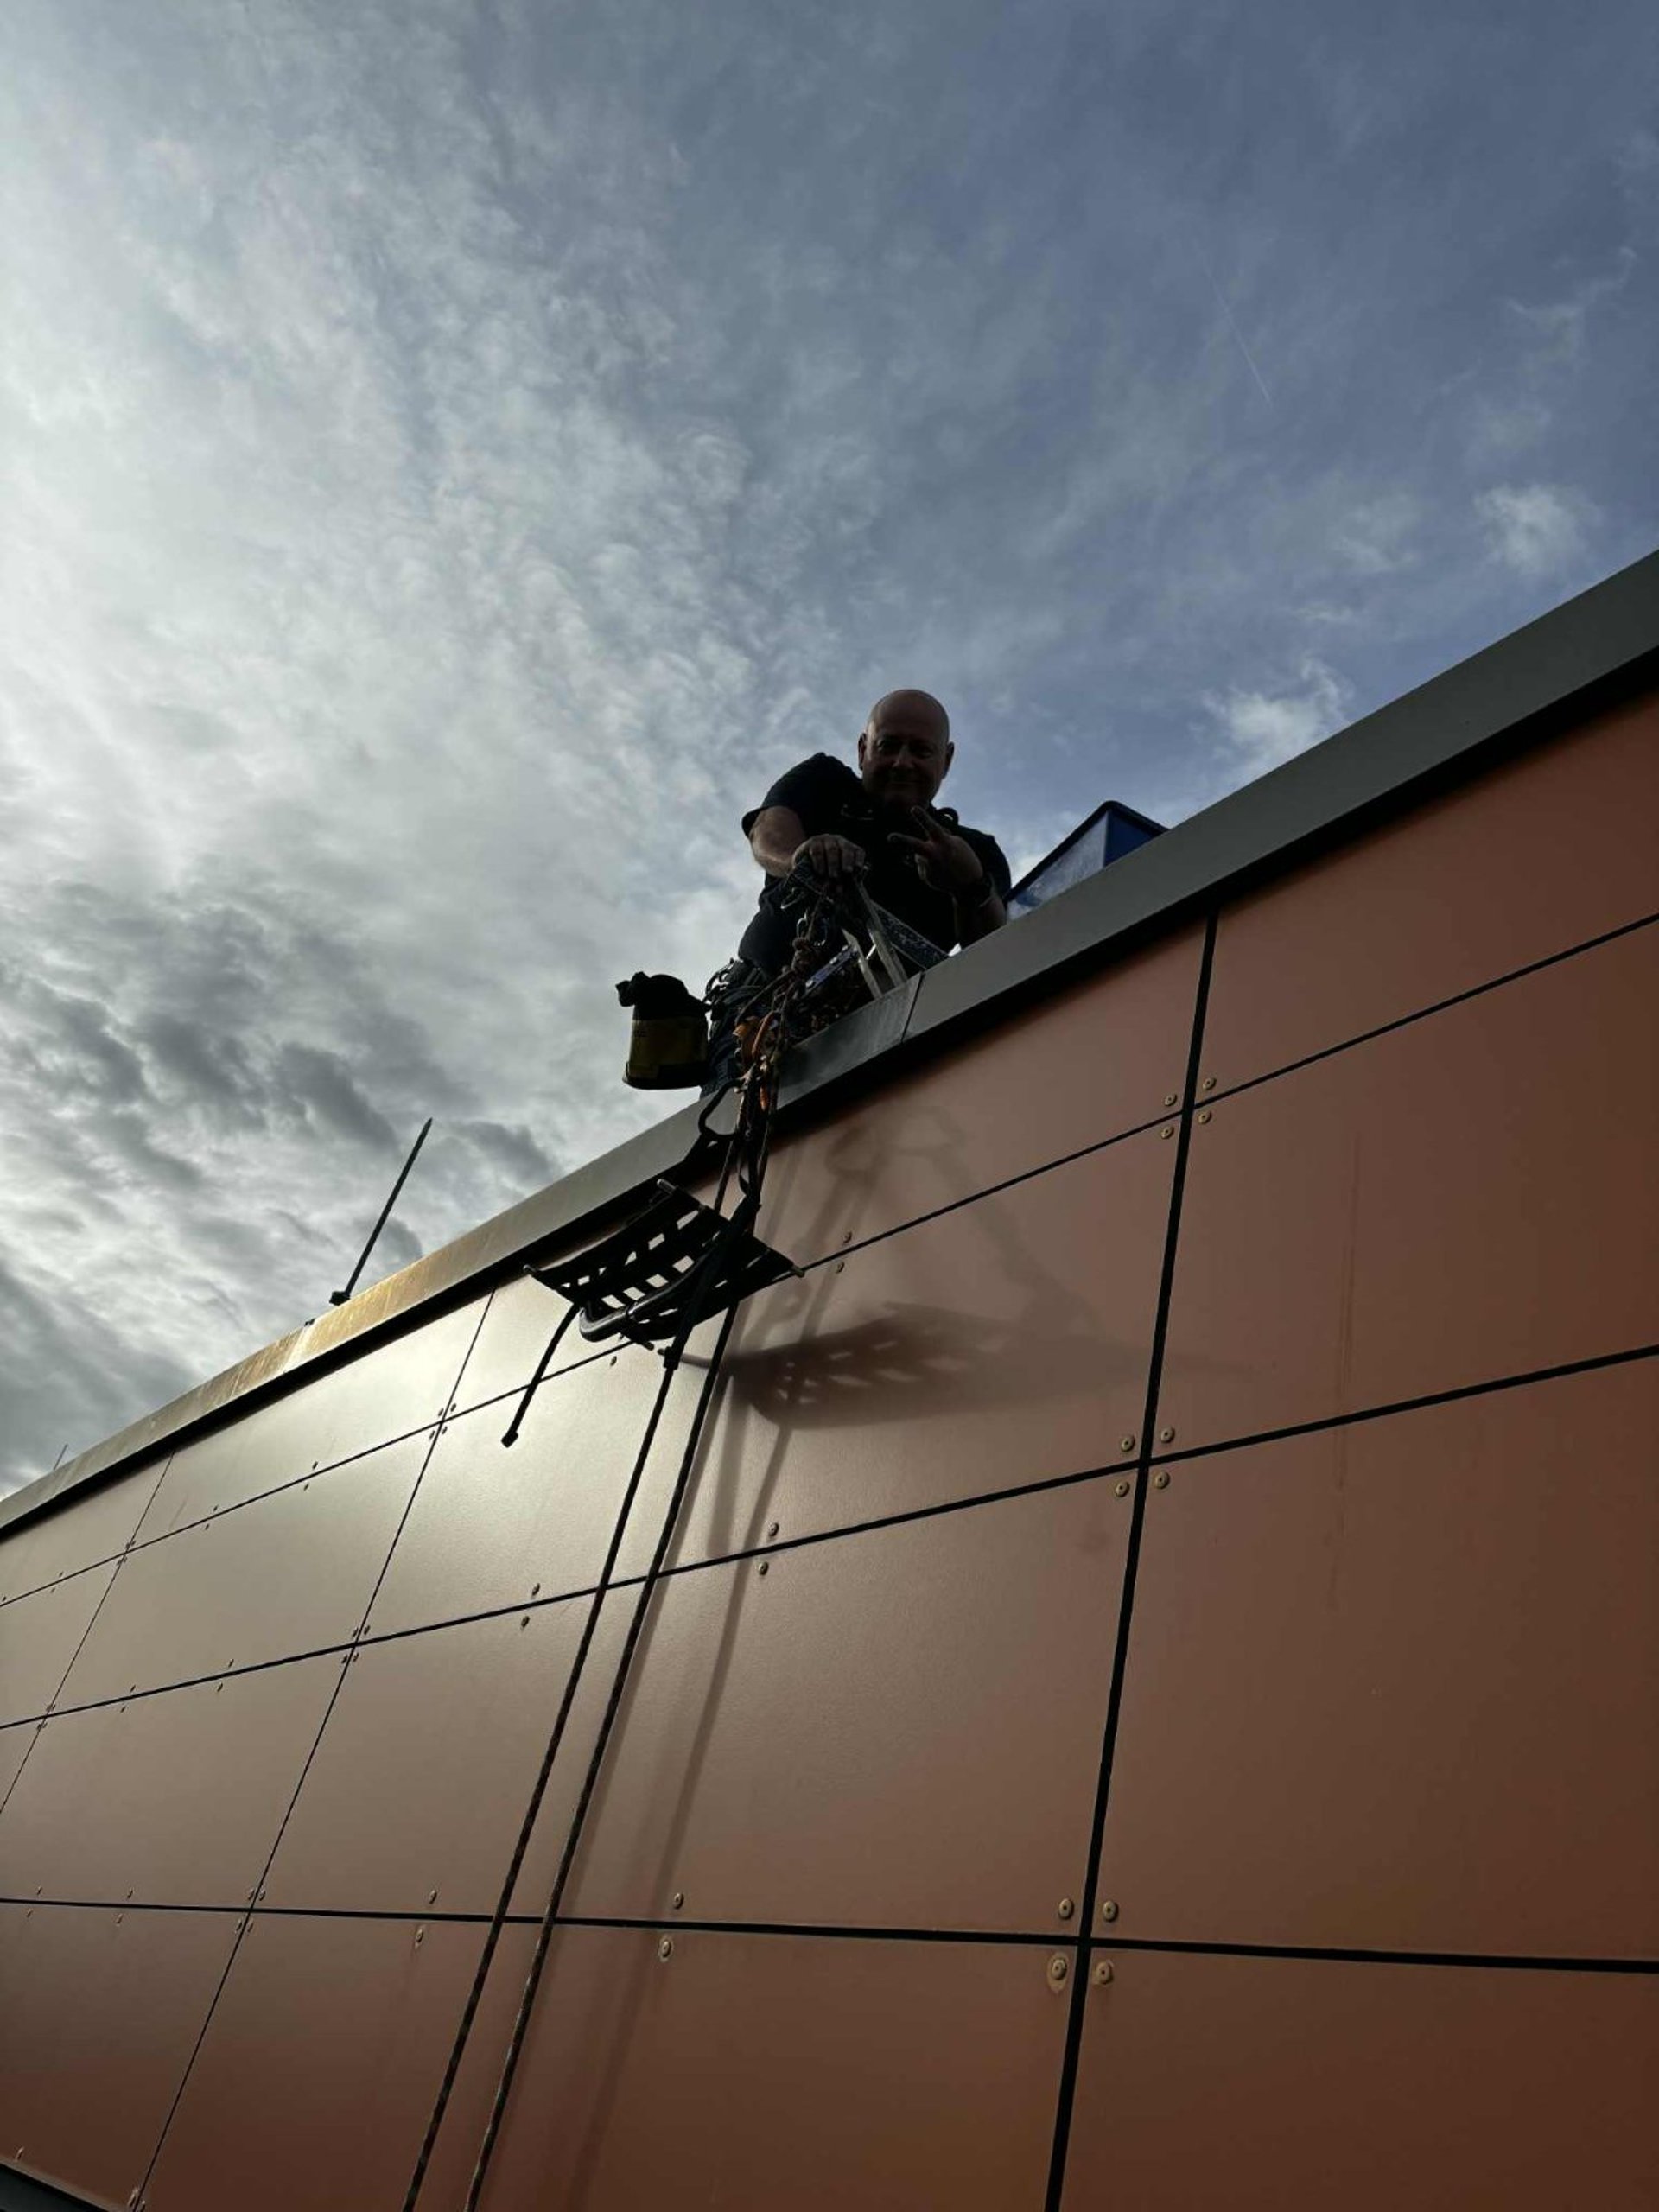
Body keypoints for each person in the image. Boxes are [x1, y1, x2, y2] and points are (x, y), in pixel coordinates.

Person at [705, 689, 1011, 1088]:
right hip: (760, 1012)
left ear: (946, 759)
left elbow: (994, 956)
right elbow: (767, 831)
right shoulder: (823, 781)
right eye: (888, 746)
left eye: (920, 751)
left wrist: (970, 887)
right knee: (735, 1130)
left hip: (895, 1034)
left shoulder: (974, 852)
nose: (902, 763)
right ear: (863, 748)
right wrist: (801, 856)